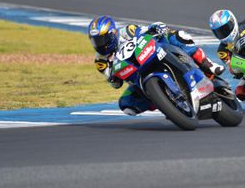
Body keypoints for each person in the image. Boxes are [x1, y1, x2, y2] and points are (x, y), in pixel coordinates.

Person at [88, 15, 224, 115]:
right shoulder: (101, 61)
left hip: (151, 54)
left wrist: (156, 27)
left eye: (102, 39)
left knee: (177, 36)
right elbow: (115, 83)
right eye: (95, 41)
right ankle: (166, 104)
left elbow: (146, 30)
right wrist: (113, 78)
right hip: (136, 77)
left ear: (113, 33)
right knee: (126, 104)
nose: (99, 44)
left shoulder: (127, 31)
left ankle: (207, 64)